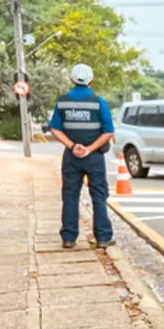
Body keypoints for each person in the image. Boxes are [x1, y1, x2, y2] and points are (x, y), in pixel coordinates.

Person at [49, 64, 115, 249]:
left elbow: (55, 128)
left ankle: (68, 238)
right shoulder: (98, 102)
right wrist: (90, 148)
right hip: (94, 157)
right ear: (91, 80)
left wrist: (72, 146)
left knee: (70, 196)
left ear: (71, 79)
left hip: (71, 157)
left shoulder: (62, 102)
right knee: (99, 196)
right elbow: (109, 131)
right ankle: (103, 237)